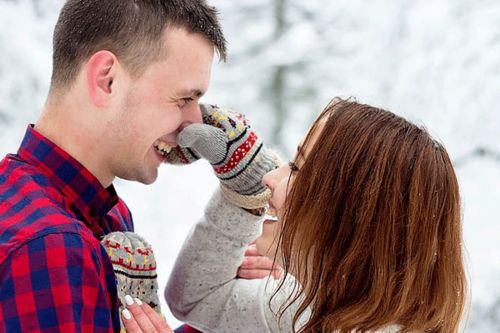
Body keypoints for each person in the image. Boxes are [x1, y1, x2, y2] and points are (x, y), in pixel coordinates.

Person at [122, 99, 467, 333]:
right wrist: (241, 190)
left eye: (298, 169)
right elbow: (197, 300)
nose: (270, 178)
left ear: (348, 216)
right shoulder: (308, 307)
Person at [0, 0, 227, 332]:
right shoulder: (51, 250)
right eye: (183, 99)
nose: (194, 123)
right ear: (107, 79)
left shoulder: (103, 213)